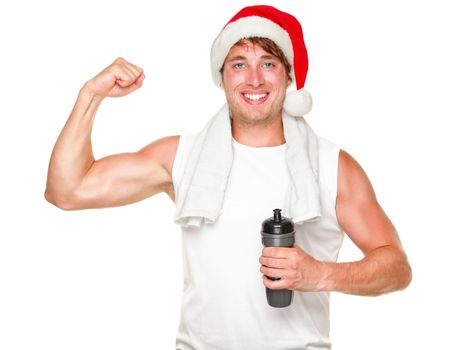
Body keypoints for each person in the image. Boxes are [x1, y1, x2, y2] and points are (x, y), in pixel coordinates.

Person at [45, 5, 411, 350]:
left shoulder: (332, 166)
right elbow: (67, 190)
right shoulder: (182, 158)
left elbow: (396, 267)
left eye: (268, 63)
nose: (253, 79)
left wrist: (320, 275)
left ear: (290, 76)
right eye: (239, 64)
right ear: (221, 76)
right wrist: (90, 96)